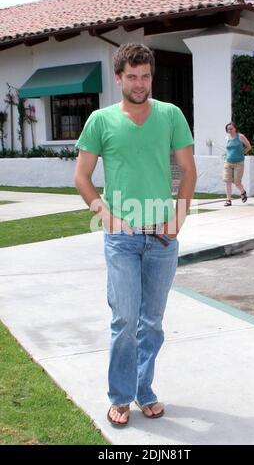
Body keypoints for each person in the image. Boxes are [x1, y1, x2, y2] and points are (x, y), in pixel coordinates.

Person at [74, 43, 196, 427]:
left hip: (162, 238)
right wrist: (106, 215)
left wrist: (178, 216)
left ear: (151, 76)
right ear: (118, 78)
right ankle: (120, 396)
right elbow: (82, 176)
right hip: (121, 238)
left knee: (152, 322)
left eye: (145, 76)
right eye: (132, 77)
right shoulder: (100, 120)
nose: (140, 84)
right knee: (125, 318)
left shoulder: (171, 115)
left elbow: (189, 171)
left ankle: (144, 390)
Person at [223, 122, 251, 206]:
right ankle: (228, 200)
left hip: (239, 163)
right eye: (228, 129)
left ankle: (243, 192)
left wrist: (242, 153)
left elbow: (248, 146)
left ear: (235, 129)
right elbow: (229, 149)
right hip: (228, 162)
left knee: (237, 182)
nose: (230, 130)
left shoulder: (240, 137)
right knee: (227, 181)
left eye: (231, 128)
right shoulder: (227, 138)